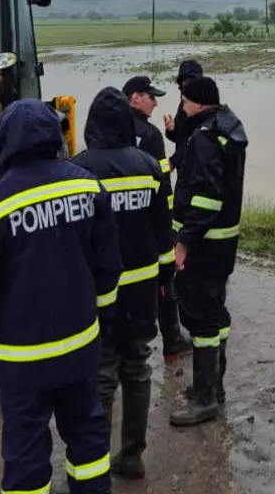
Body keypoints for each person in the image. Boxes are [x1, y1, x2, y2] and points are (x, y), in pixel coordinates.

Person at [0, 99, 121, 494]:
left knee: (25, 449)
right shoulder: (87, 185)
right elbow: (108, 265)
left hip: (24, 356)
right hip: (80, 343)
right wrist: (104, 316)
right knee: (88, 440)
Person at [73, 87, 170, 480]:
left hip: (98, 292)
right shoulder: (149, 166)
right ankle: (132, 455)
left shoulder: (78, 170)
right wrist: (166, 278)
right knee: (137, 366)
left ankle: (93, 462)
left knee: (102, 371)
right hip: (142, 287)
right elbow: (163, 232)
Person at [169, 76, 247, 427]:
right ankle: (214, 387)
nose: (181, 106)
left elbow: (204, 198)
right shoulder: (227, 130)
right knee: (215, 312)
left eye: (184, 100)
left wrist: (184, 241)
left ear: (198, 102)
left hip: (204, 243)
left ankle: (204, 399)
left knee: (200, 317)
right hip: (223, 242)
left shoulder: (203, 139)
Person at [123, 75, 192, 360]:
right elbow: (160, 177)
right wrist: (179, 157)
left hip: (122, 218)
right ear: (134, 98)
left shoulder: (111, 129)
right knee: (165, 281)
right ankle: (172, 340)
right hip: (151, 219)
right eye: (151, 97)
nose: (155, 102)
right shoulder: (150, 135)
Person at [163, 60, 203, 173]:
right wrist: (171, 130)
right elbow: (179, 138)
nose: (187, 84)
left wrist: (172, 162)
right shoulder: (183, 105)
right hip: (184, 170)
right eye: (184, 81)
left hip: (200, 170)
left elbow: (195, 142)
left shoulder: (203, 107)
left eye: (190, 80)